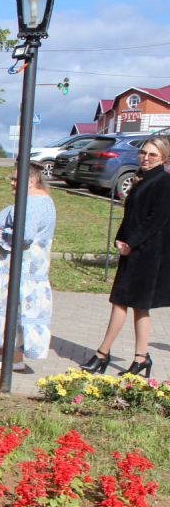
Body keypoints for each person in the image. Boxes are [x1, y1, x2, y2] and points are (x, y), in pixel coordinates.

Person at [81, 136, 170, 377]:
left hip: (148, 254)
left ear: (164, 158)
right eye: (144, 153)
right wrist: (120, 239)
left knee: (123, 302)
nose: (146, 158)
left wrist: (131, 242)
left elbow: (156, 220)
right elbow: (131, 216)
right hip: (133, 251)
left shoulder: (163, 182)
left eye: (153, 155)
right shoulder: (143, 180)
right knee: (138, 306)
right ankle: (141, 358)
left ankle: (102, 354)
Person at [0, 164, 56, 371]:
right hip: (16, 268)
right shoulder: (31, 201)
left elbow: (25, 235)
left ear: (31, 182)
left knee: (18, 310)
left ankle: (15, 358)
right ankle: (0, 350)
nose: (11, 182)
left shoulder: (35, 203)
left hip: (24, 269)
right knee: (8, 308)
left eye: (15, 179)